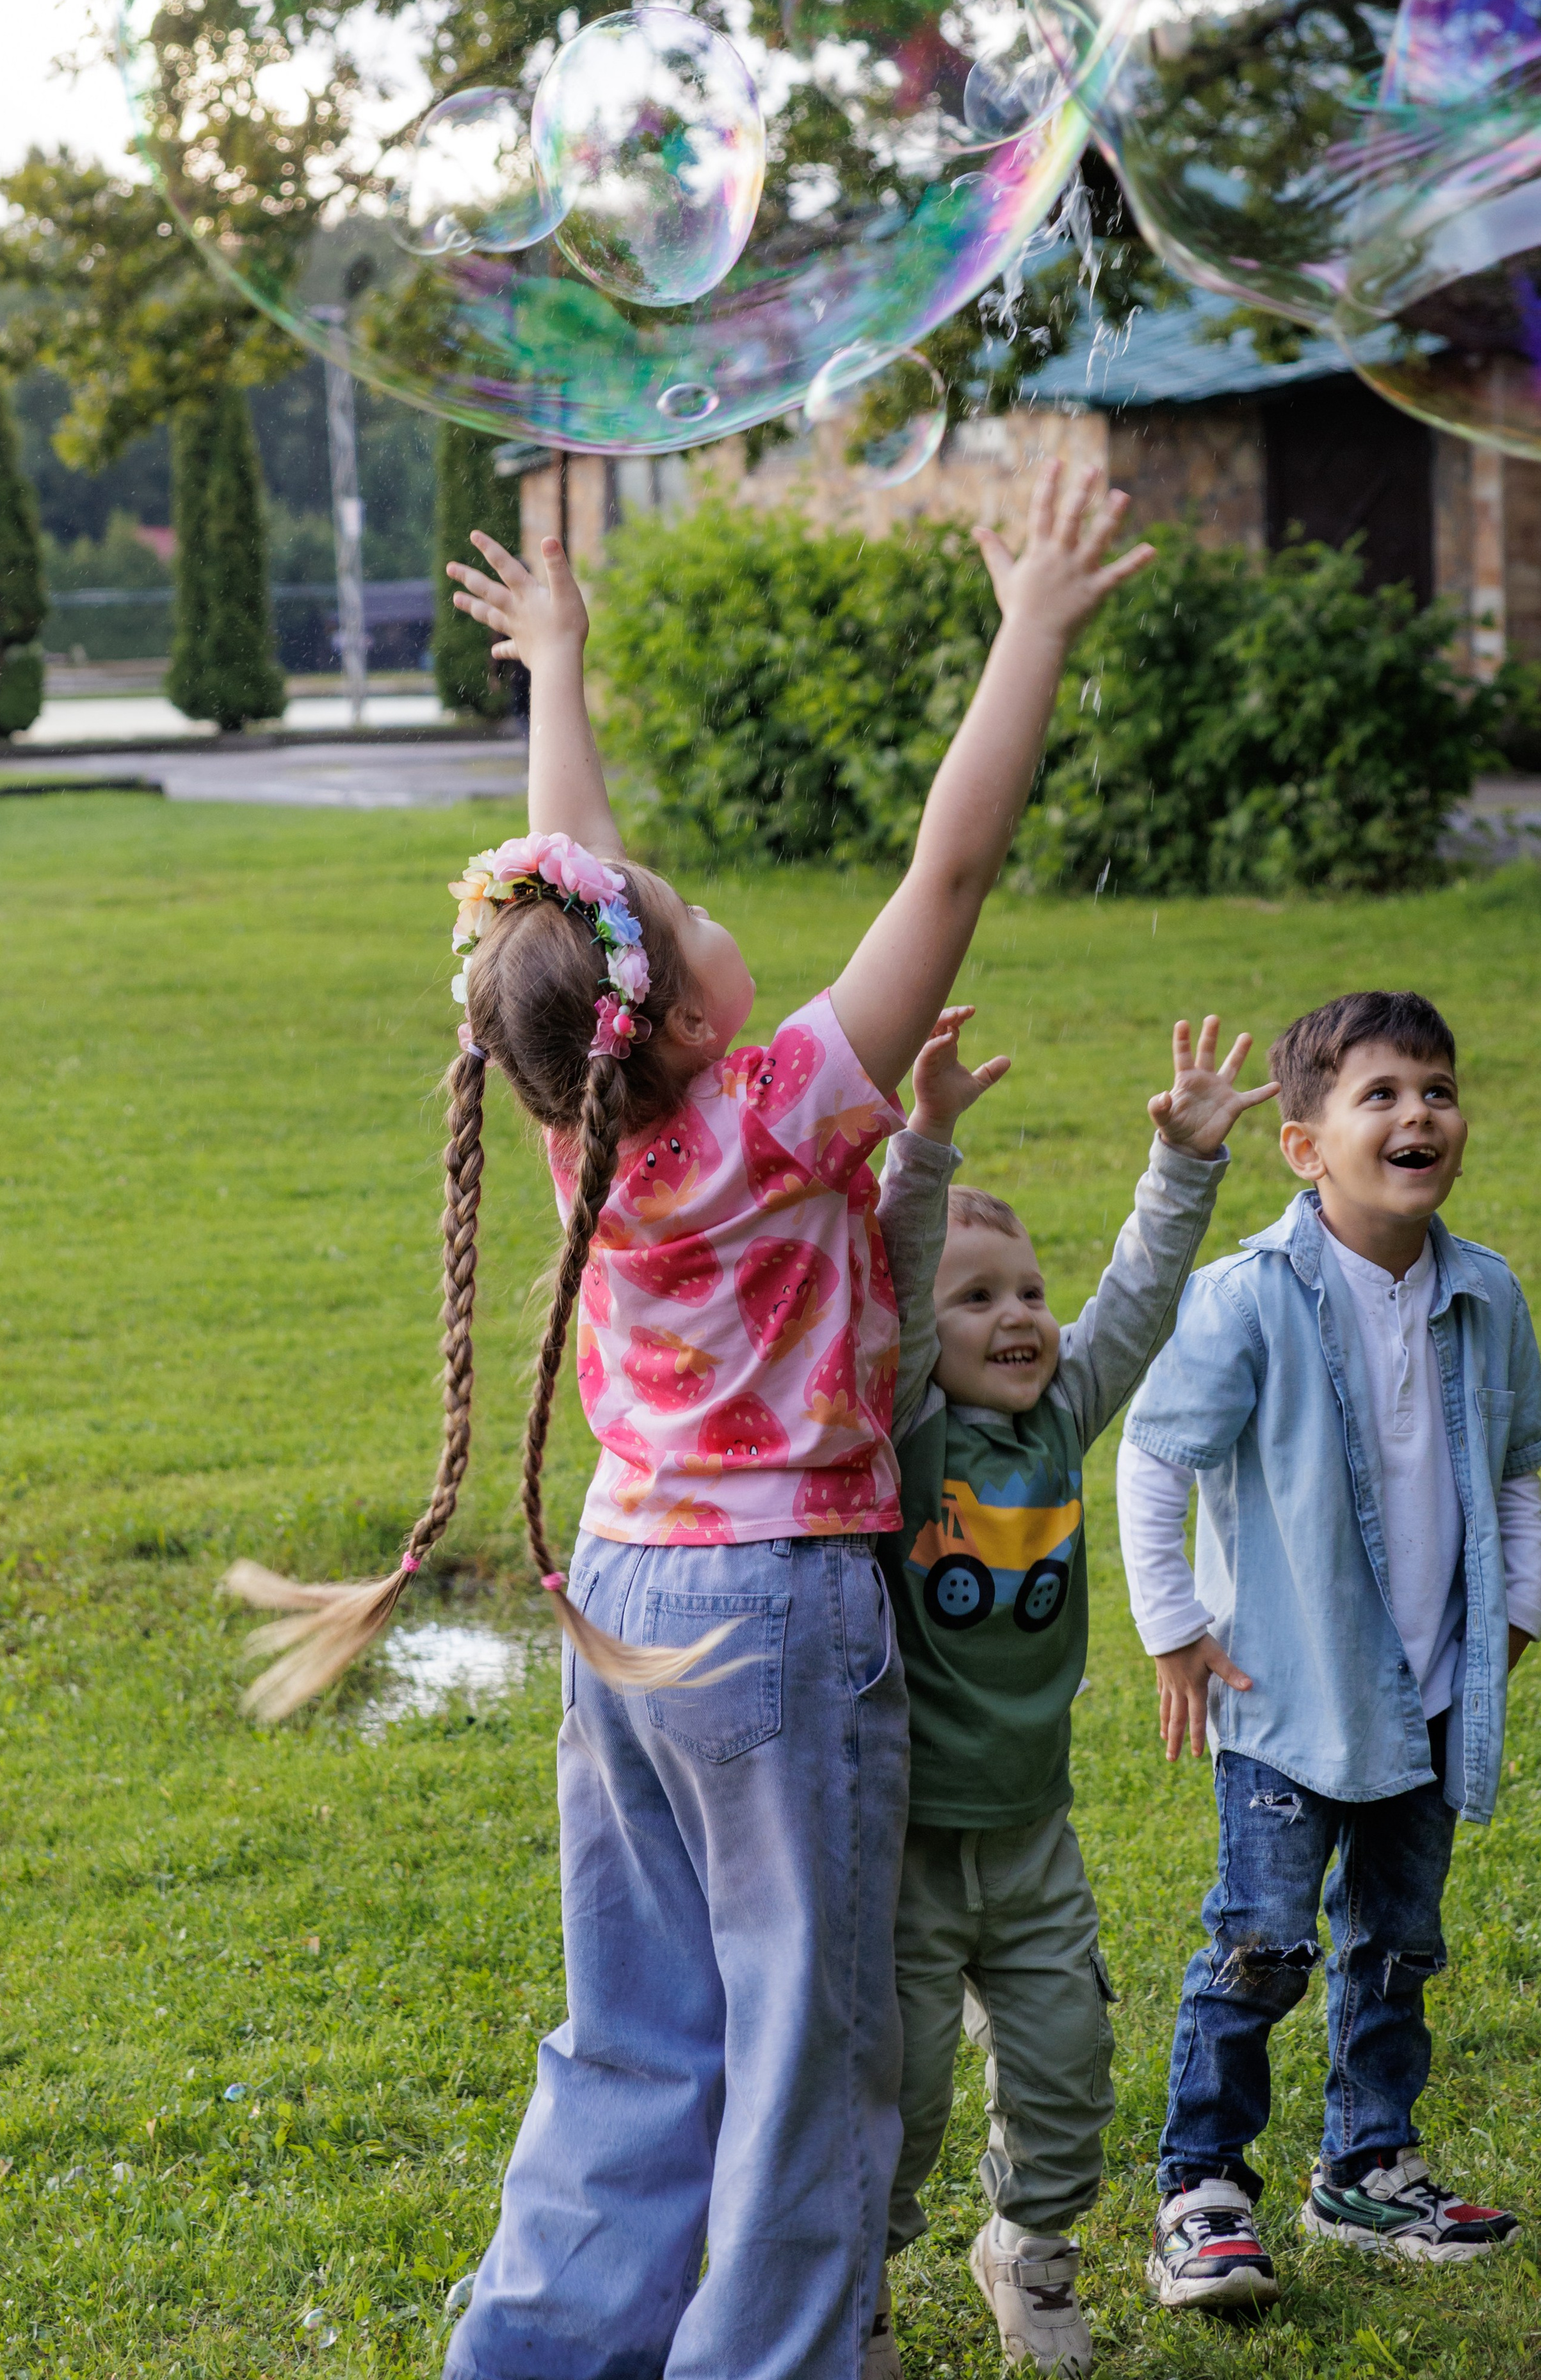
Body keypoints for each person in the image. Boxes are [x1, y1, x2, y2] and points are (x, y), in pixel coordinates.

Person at [230, 464, 1154, 2380]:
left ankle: (541, 2350)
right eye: (694, 910)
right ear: (676, 1014)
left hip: (632, 1596)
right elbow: (949, 874)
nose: (707, 906)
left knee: (640, 2021)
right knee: (813, 2039)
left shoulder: (586, 1126)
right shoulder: (788, 1106)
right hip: (780, 1623)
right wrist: (1031, 633)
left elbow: (576, 890)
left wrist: (558, 663)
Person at [1117, 990, 1541, 2312]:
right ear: (1303, 1146)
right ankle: (1201, 2191)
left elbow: (1523, 1468)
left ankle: (1366, 2167)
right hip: (1279, 1703)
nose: (1417, 1114)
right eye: (1379, 1094)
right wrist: (1173, 1628)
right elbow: (1151, 1457)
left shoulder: (1484, 1295)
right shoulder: (1245, 1297)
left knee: (1393, 1947)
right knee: (1260, 1947)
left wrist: (1517, 1609)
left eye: (1434, 1089)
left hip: (1425, 1697)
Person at [868, 1006, 1273, 2375]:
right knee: (901, 2094)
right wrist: (922, 1144)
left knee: (1065, 2071)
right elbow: (897, 1262)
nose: (1018, 1318)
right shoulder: (911, 1434)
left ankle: (1027, 2257)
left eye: (1025, 1291)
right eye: (974, 1300)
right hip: (911, 1847)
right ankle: (851, 2287)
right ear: (917, 1334)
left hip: (1032, 1839)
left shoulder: (1059, 1413)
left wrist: (1181, 1167)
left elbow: (1139, 1294)